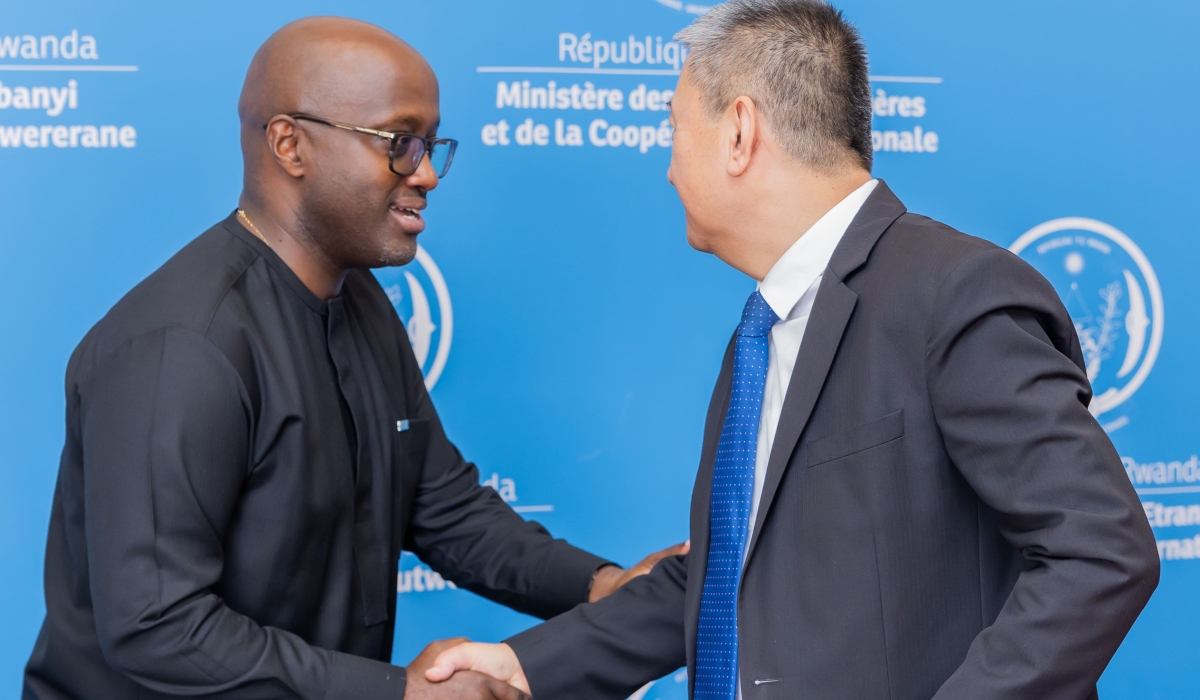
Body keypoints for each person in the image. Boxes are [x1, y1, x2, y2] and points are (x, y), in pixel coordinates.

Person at [424, 2, 1161, 698]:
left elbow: (1099, 551)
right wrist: (525, 665)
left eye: (674, 129)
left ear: (740, 133)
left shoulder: (954, 293)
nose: (669, 169)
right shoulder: (767, 327)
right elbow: (724, 576)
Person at [22, 17, 684, 700]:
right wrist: (399, 693)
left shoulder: (360, 300)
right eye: (399, 143)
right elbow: (159, 626)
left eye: (429, 145)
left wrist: (603, 586)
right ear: (290, 145)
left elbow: (442, 506)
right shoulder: (182, 347)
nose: (425, 173)